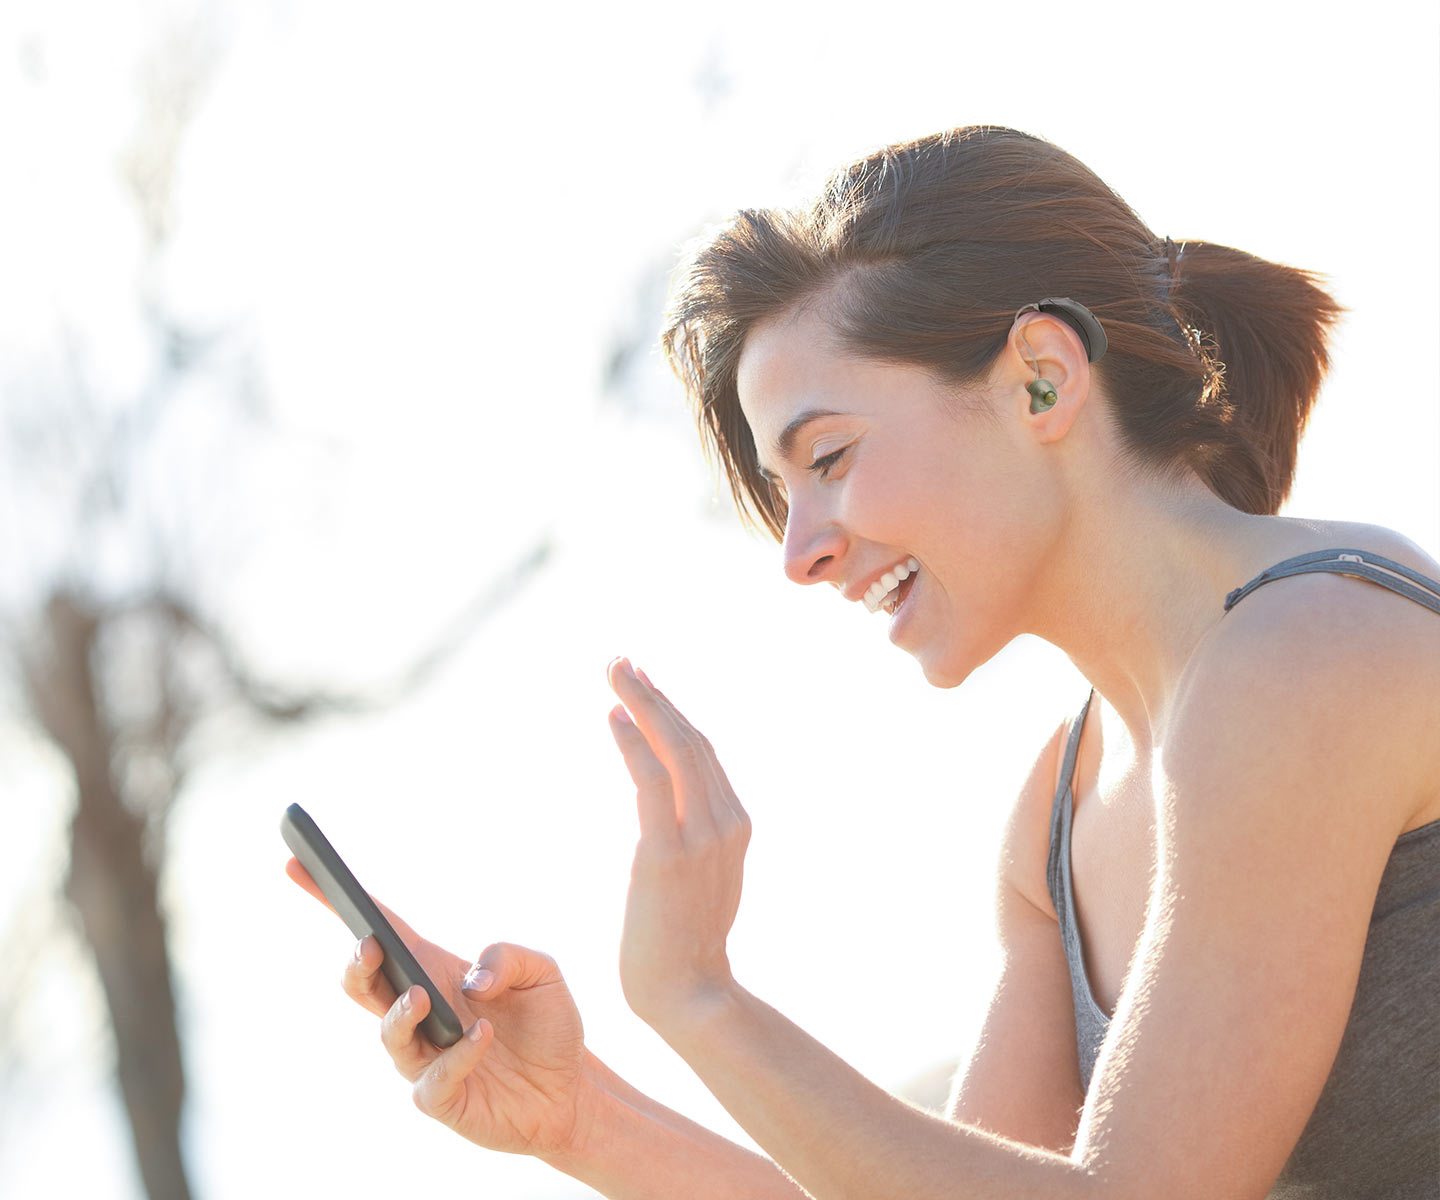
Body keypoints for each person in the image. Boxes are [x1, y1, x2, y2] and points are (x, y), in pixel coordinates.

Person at [286, 124, 1440, 1198]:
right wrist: (579, 1119)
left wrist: (701, 999)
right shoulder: (1059, 810)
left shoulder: (1307, 651)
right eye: (784, 499)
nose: (800, 553)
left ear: (1041, 377)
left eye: (829, 455)